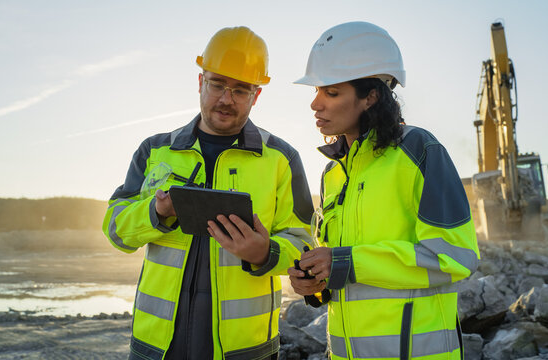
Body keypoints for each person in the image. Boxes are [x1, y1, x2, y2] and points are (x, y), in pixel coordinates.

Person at [103, 26, 314, 360]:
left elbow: (304, 244)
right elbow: (116, 230)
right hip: (157, 347)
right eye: (217, 84)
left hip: (244, 350)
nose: (226, 98)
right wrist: (157, 214)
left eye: (240, 90)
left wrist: (265, 252)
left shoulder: (281, 160)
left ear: (256, 95)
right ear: (201, 82)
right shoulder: (155, 150)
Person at [289, 22, 480, 360]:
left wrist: (347, 262)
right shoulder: (333, 172)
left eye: (331, 93)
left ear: (371, 96)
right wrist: (316, 284)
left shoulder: (420, 150)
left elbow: (453, 258)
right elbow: (340, 269)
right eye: (316, 91)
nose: (315, 104)